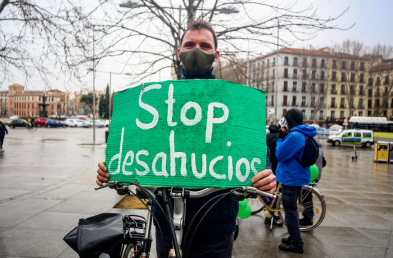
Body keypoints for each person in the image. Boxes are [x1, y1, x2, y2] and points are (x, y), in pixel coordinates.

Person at [96, 19, 277, 258]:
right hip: (166, 220)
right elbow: (138, 150)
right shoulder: (159, 101)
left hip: (216, 224)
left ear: (216, 54)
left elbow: (254, 151)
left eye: (205, 45)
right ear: (179, 52)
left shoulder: (234, 101)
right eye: (190, 44)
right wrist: (113, 172)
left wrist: (265, 174)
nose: (196, 51)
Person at [275, 109, 316, 254]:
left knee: (290, 211)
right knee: (292, 209)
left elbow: (280, 155)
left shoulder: (295, 136)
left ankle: (297, 244)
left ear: (290, 120)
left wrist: (280, 139)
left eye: (286, 118)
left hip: (291, 178)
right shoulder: (301, 133)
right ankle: (294, 237)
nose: (284, 121)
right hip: (296, 176)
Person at [263, 124, 283, 226]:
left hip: (268, 164)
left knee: (268, 193)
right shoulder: (279, 137)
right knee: (275, 192)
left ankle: (268, 215)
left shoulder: (268, 136)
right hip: (276, 165)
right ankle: (272, 215)